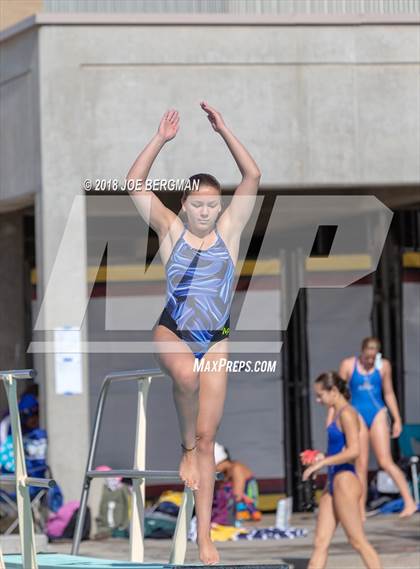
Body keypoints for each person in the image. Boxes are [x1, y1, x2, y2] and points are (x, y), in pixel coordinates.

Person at [126, 103, 260, 564]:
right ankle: (184, 450)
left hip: (217, 338)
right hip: (174, 330)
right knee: (185, 378)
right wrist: (160, 139)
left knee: (209, 440)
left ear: (219, 206)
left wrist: (225, 129)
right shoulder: (169, 230)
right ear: (184, 204)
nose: (204, 211)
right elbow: (134, 184)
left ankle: (204, 537)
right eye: (197, 203)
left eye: (211, 204)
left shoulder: (229, 231)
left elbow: (253, 176)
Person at [301, 371, 383, 569]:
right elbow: (340, 449)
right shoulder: (338, 413)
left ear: (334, 391)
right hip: (334, 479)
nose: (318, 400)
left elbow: (354, 451)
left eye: (321, 395)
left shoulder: (347, 413)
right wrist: (320, 457)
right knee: (320, 542)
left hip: (345, 479)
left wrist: (322, 463)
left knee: (357, 540)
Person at [338, 337, 417, 518]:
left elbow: (388, 393)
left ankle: (410, 501)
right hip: (357, 413)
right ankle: (359, 509)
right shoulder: (349, 365)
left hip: (377, 413)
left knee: (385, 461)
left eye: (373, 358)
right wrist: (338, 419)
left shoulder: (383, 367)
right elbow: (339, 395)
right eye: (367, 358)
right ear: (362, 352)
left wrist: (397, 419)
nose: (370, 362)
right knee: (361, 463)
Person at [213, 442, 261, 522]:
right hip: (234, 505)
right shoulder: (224, 473)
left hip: (245, 507)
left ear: (220, 461)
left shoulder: (236, 468)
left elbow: (237, 495)